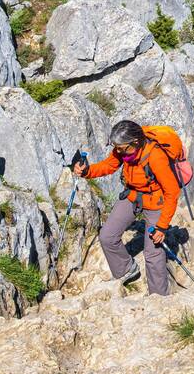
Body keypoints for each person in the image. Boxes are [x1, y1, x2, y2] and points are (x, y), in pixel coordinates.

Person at [72, 120, 181, 295]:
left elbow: (172, 191)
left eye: (123, 148)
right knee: (107, 235)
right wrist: (87, 171)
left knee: (152, 253)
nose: (120, 152)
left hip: (155, 202)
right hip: (132, 196)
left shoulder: (155, 156)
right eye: (117, 148)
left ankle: (159, 297)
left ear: (136, 142)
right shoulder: (123, 151)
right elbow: (109, 165)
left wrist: (162, 226)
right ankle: (126, 270)